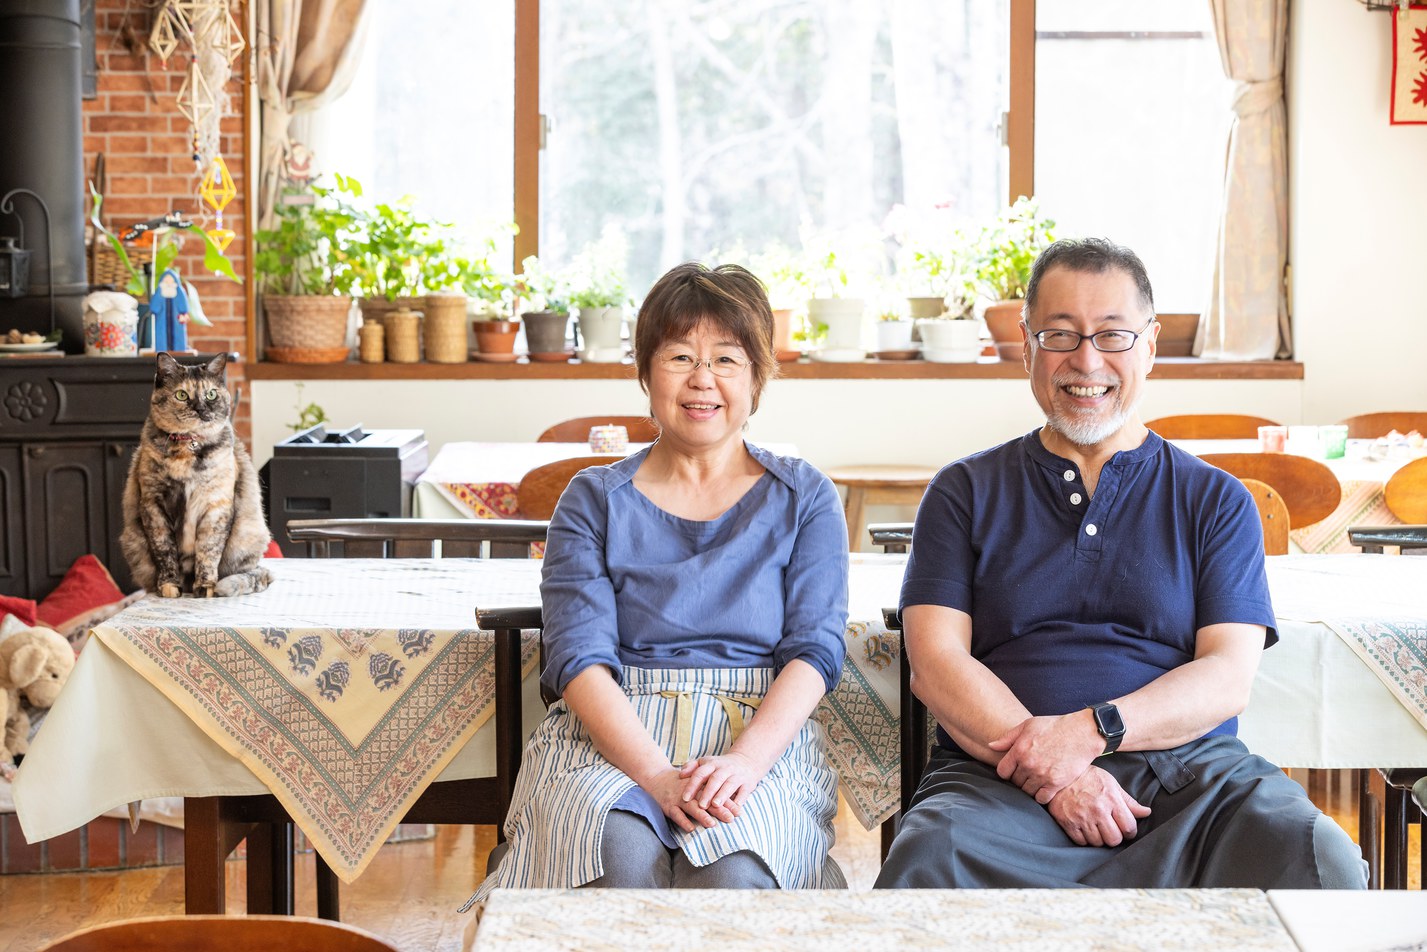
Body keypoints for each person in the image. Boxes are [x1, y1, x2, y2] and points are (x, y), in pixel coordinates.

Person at [875, 238, 1366, 890]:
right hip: (998, 784)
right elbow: (937, 666)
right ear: (1025, 345)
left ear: (1151, 345)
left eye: (1112, 335)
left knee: (1318, 860)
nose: (1085, 361)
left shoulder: (1214, 499)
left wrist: (1091, 733)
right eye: (1059, 334)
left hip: (1191, 780)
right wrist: (1059, 774)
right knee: (929, 860)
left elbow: (1226, 677)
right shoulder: (962, 491)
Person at [471, 262, 848, 899]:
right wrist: (654, 774)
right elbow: (579, 656)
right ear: (645, 373)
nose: (703, 379)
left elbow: (815, 649)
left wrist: (745, 762)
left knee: (731, 873)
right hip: (612, 732)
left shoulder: (804, 495)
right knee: (615, 858)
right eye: (679, 356)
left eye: (727, 358)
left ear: (757, 378)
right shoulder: (592, 499)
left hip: (754, 730)